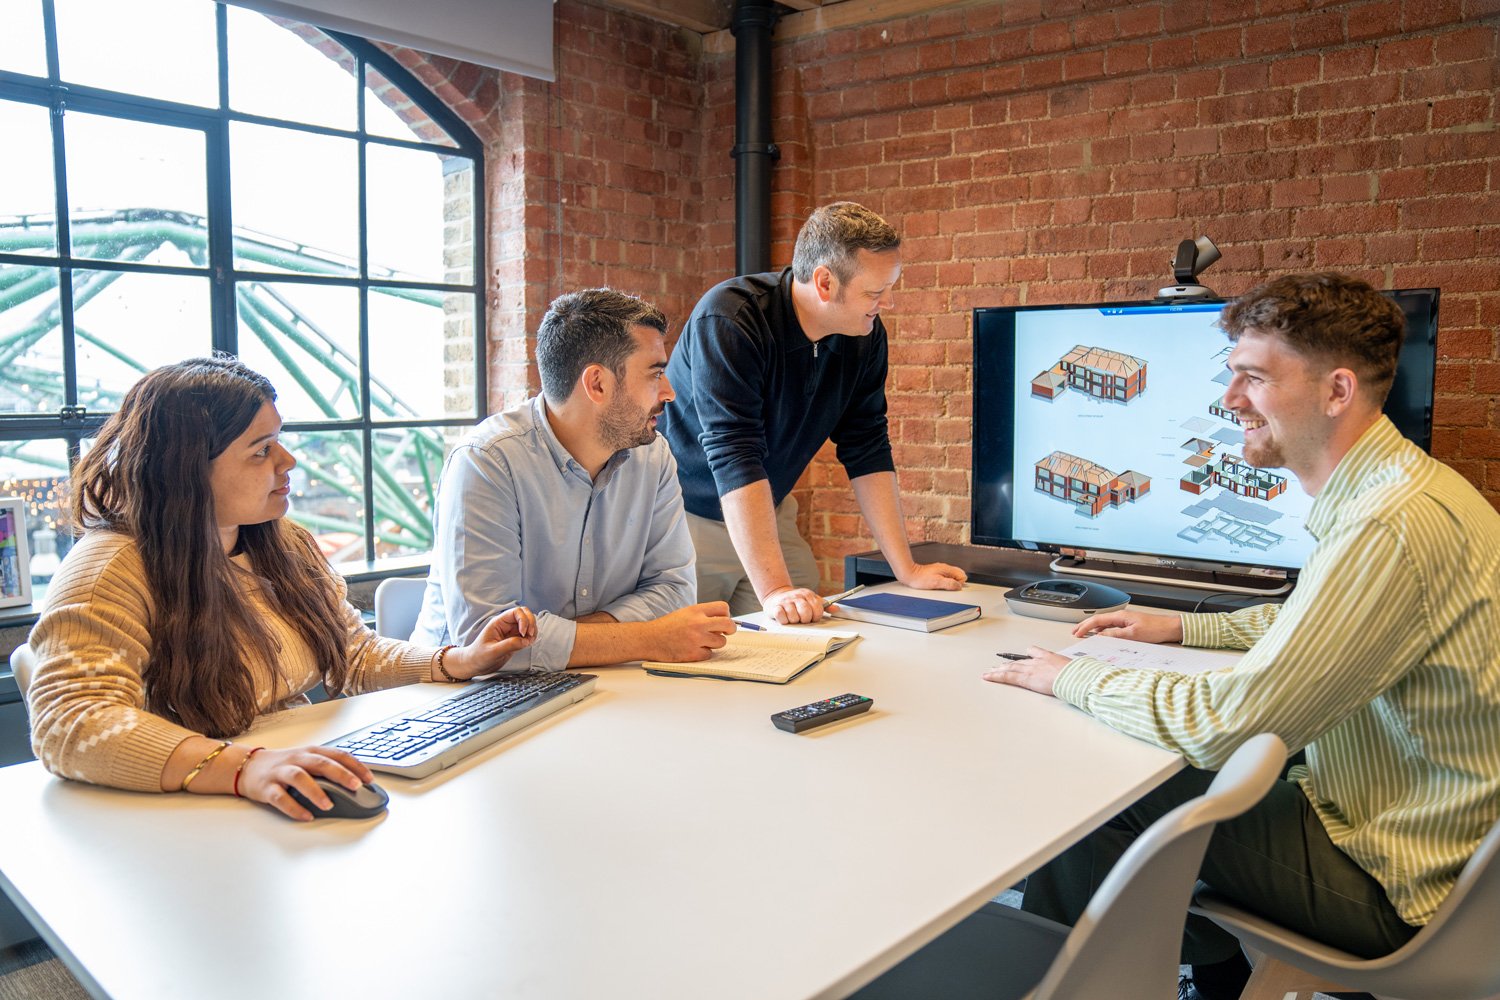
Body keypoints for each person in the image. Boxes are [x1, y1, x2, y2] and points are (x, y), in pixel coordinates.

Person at [975, 273, 1500, 1000]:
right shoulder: (1404, 489)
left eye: (1252, 377)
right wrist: (1185, 624)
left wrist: (1070, 676)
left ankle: (1070, 984)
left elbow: (1226, 725)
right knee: (1163, 773)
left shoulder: (1387, 524)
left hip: (1400, 884)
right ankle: (1208, 977)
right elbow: (1319, 618)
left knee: (1099, 796)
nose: (1229, 401)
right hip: (1418, 833)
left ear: (1336, 391)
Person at [27, 356, 537, 822]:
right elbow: (72, 721)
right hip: (180, 816)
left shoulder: (283, 542)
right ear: (186, 470)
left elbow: (352, 656)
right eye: (260, 450)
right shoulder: (109, 569)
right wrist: (244, 767)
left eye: (280, 440)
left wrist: (456, 662)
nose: (288, 460)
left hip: (276, 783)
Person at [660, 201, 967, 624]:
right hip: (686, 519)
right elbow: (735, 453)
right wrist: (776, 590)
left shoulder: (862, 334)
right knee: (691, 654)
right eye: (875, 292)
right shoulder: (730, 318)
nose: (888, 303)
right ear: (825, 282)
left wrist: (907, 569)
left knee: (811, 631)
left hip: (768, 508)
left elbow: (867, 445)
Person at [411, 288, 736, 667]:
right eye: (656, 373)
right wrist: (649, 638)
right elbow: (487, 644)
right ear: (597, 384)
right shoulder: (486, 463)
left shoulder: (653, 455)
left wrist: (574, 640)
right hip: (459, 698)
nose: (670, 392)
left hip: (590, 682)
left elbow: (675, 591)